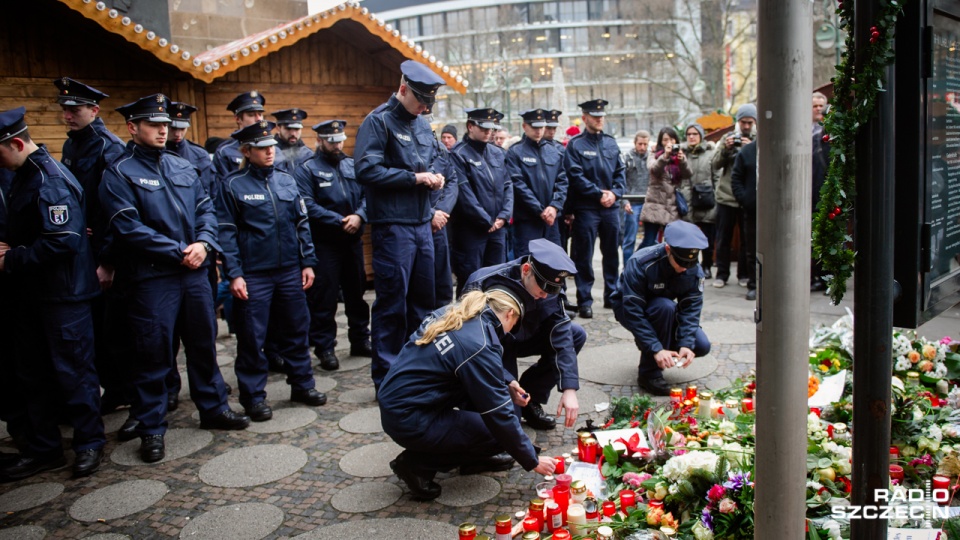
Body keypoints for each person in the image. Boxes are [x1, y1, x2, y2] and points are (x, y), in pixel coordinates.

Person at [100, 94, 250, 464]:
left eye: (165, 124)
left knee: (203, 344)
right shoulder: (118, 172)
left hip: (194, 272)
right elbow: (127, 228)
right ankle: (151, 427)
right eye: (153, 124)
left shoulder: (181, 166)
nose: (163, 130)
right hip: (154, 278)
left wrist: (203, 242)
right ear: (133, 128)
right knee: (153, 353)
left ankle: (213, 408)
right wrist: (178, 251)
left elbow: (207, 210)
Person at [0, 107, 106, 479]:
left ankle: (89, 443)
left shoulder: (49, 179)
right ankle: (45, 449)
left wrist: (11, 258)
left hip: (64, 297)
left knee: (74, 373)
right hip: (36, 295)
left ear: (15, 143)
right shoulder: (25, 175)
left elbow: (62, 242)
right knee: (34, 374)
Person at [379, 288, 557, 500]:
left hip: (400, 401)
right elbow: (498, 414)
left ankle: (474, 458)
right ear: (509, 313)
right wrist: (532, 459)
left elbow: (466, 354)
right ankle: (416, 465)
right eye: (514, 324)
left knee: (487, 417)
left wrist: (507, 381)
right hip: (410, 417)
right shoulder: (478, 342)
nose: (510, 332)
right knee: (498, 432)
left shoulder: (461, 312)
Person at [217, 120, 327, 421]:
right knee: (253, 336)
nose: (269, 153)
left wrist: (307, 262)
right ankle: (253, 397)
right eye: (262, 148)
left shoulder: (286, 180)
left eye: (271, 147)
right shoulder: (232, 184)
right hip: (254, 273)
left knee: (296, 329)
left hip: (289, 269)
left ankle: (302, 385)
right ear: (246, 151)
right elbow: (226, 232)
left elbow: (302, 224)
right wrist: (235, 273)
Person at [354, 60, 446, 390]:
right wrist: (413, 178)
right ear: (403, 89)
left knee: (424, 302)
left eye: (429, 103)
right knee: (392, 303)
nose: (424, 108)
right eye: (421, 100)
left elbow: (435, 157)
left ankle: (418, 370)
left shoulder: (421, 123)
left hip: (422, 224)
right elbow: (366, 171)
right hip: (393, 227)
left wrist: (435, 176)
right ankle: (388, 377)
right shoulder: (378, 122)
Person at [53, 78, 129, 416]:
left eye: (75, 110)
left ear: (94, 111)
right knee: (97, 325)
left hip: (105, 249)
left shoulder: (106, 147)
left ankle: (125, 389)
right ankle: (112, 387)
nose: (68, 116)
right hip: (83, 245)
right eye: (65, 110)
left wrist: (109, 261)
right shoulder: (73, 146)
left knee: (114, 327)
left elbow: (115, 209)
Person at [464, 238, 584, 431]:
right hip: (493, 346)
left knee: (575, 333)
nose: (546, 295)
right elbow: (471, 346)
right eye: (543, 288)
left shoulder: (547, 286)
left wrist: (569, 389)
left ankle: (532, 397)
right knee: (508, 420)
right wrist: (507, 380)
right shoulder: (483, 282)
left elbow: (560, 334)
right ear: (526, 270)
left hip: (525, 337)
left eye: (552, 290)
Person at [293, 119, 372, 370]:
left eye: (340, 140)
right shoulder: (307, 169)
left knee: (356, 294)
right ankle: (325, 347)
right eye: (331, 141)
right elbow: (306, 204)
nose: (337, 145)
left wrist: (359, 216)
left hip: (352, 240)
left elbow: (367, 196)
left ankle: (360, 339)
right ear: (319, 140)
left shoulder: (351, 165)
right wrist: (339, 220)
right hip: (325, 243)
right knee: (324, 299)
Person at [610, 220, 712, 396]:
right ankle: (649, 374)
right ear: (667, 250)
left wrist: (686, 343)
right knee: (663, 307)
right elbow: (633, 311)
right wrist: (655, 347)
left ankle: (659, 345)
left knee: (701, 345)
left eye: (689, 264)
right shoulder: (641, 263)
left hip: (663, 309)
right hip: (628, 308)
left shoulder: (693, 270)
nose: (683, 269)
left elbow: (691, 308)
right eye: (680, 262)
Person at [564, 99, 625, 319]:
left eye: (601, 115)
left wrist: (615, 193)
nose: (599, 119)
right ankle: (585, 300)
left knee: (611, 254)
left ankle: (612, 295)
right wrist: (599, 194)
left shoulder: (611, 142)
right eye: (594, 115)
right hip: (587, 207)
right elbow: (575, 176)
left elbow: (620, 172)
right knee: (584, 255)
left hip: (610, 207)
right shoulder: (576, 145)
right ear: (585, 117)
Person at [449, 107, 513, 297]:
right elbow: (464, 193)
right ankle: (467, 323)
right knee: (471, 281)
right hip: (471, 230)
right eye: (483, 127)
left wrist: (503, 216)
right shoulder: (459, 154)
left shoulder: (497, 153)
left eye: (491, 128)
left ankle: (493, 322)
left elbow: (508, 185)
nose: (488, 132)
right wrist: (485, 220)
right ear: (470, 126)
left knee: (496, 280)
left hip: (497, 228)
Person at [506, 109, 567, 258]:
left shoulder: (554, 151)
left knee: (554, 265)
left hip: (551, 220)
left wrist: (554, 206)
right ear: (524, 126)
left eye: (541, 127)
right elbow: (518, 185)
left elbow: (562, 181)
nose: (539, 131)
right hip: (528, 220)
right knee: (529, 265)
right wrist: (540, 210)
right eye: (534, 127)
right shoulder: (515, 152)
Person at [711, 103, 757, 289]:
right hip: (727, 196)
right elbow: (715, 164)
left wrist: (748, 150)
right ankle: (721, 274)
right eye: (743, 122)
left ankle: (744, 274)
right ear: (737, 122)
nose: (746, 126)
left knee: (747, 240)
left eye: (749, 122)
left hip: (747, 198)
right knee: (723, 238)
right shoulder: (727, 138)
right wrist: (726, 149)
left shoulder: (757, 140)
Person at [638, 127, 692, 249]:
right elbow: (653, 169)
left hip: (672, 206)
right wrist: (665, 156)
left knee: (672, 244)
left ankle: (666, 267)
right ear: (660, 142)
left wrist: (682, 161)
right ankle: (636, 265)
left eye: (672, 139)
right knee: (649, 242)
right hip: (655, 205)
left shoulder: (680, 155)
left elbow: (688, 174)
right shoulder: (654, 154)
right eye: (665, 140)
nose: (669, 143)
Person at [678, 123, 718, 278]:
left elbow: (717, 177)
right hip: (687, 201)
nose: (692, 137)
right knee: (688, 239)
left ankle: (706, 266)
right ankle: (690, 266)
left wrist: (716, 199)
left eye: (695, 134)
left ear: (701, 136)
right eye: (689, 134)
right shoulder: (682, 153)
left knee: (707, 238)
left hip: (706, 201)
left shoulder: (710, 153)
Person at [213, 91, 266, 182]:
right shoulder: (225, 152)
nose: (258, 119)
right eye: (251, 115)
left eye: (260, 114)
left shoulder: (273, 149)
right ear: (238, 119)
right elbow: (222, 189)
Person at [167, 102, 216, 197]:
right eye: (173, 128)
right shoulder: (155, 153)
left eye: (182, 129)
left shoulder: (200, 155)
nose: (178, 134)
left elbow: (211, 191)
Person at [730, 138, 758, 301]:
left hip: (776, 210)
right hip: (752, 209)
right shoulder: (747, 151)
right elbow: (736, 179)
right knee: (751, 249)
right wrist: (745, 200)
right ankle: (754, 285)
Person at [621, 130, 650, 262]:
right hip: (632, 202)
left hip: (649, 202)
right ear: (635, 143)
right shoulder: (628, 158)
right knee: (630, 239)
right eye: (640, 144)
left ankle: (638, 261)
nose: (642, 147)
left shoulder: (651, 158)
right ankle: (628, 269)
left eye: (645, 144)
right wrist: (625, 201)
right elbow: (622, 181)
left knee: (651, 239)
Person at [811, 92, 829, 292]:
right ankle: (817, 276)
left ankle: (829, 277)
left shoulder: (829, 131)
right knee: (814, 238)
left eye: (821, 106)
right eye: (814, 106)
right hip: (811, 190)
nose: (818, 109)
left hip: (827, 190)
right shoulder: (805, 131)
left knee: (830, 236)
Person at [271, 108, 314, 175]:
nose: (293, 134)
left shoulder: (309, 155)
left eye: (297, 129)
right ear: (278, 128)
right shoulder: (269, 153)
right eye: (288, 129)